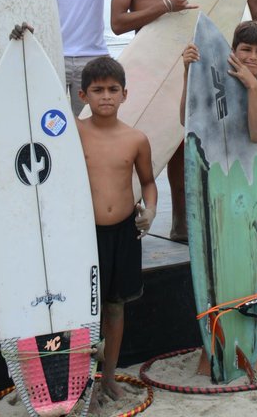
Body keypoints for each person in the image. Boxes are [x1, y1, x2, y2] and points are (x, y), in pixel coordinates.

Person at [180, 19, 257, 375]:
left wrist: (252, 87)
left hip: (250, 189)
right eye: (245, 50)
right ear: (232, 51)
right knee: (215, 266)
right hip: (214, 186)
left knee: (242, 264)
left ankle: (241, 343)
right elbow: (188, 120)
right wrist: (188, 73)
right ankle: (211, 349)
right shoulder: (215, 82)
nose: (252, 57)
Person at [109, 0, 201, 241]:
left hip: (184, 60)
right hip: (145, 62)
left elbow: (211, 3)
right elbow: (118, 23)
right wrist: (164, 5)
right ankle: (125, 216)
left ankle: (181, 222)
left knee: (179, 140)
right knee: (135, 136)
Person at [74, 56, 157, 405]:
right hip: (83, 233)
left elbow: (149, 182)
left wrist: (150, 210)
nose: (105, 96)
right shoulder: (72, 132)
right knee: (83, 311)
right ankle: (84, 383)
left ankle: (108, 376)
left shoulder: (136, 139)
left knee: (115, 307)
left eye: (112, 90)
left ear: (125, 94)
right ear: (83, 96)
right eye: (97, 90)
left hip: (123, 232)